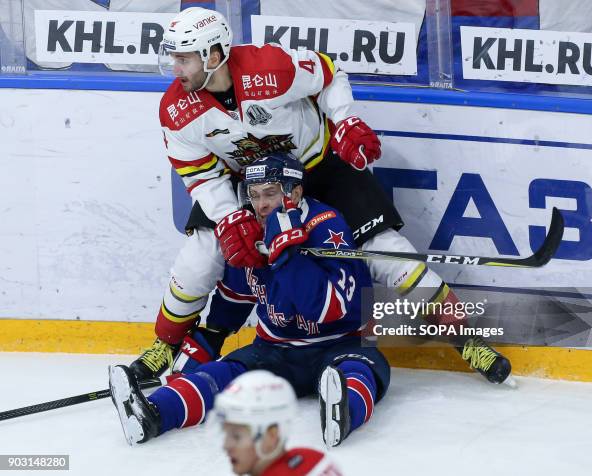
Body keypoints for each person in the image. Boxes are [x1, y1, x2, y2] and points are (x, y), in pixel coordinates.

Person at [130, 6, 511, 387]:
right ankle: (167, 342)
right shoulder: (175, 111)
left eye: (183, 58)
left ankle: (466, 337)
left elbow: (329, 74)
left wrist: (345, 120)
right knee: (202, 255)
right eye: (173, 57)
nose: (174, 68)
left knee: (385, 249)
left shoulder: (271, 66)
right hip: (253, 186)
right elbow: (200, 173)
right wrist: (230, 216)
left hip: (320, 169)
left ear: (214, 56)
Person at [110, 154, 391, 448]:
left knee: (360, 369)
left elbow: (324, 309)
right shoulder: (248, 232)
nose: (261, 204)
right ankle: (152, 414)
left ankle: (344, 412)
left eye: (271, 193)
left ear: (294, 192)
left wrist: (288, 257)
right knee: (220, 374)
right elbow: (233, 302)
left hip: (339, 344)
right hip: (274, 351)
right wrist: (204, 347)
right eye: (254, 195)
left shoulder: (326, 225)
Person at [216, 370, 342, 475]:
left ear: (271, 435)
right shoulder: (315, 459)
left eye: (236, 436)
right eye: (226, 434)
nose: (226, 446)